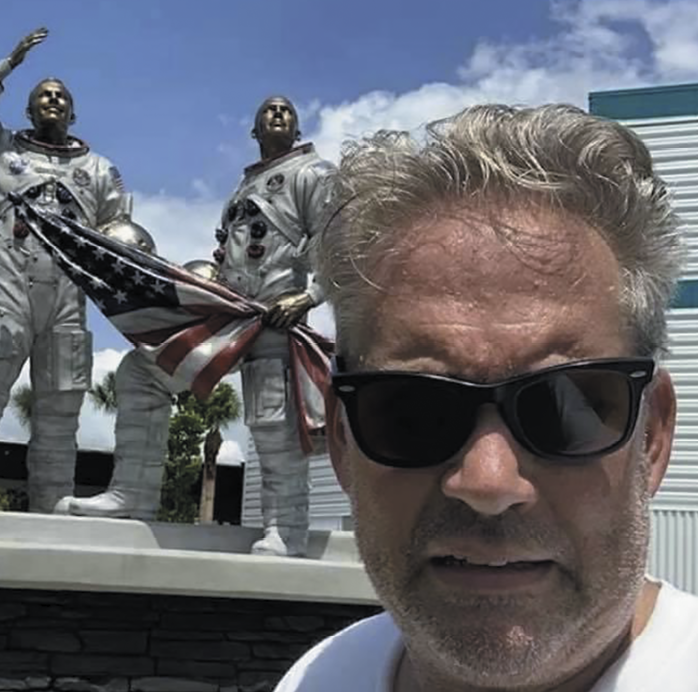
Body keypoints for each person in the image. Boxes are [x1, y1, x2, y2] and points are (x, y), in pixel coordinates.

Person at [275, 105, 698, 691]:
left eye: (561, 405)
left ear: (651, 436)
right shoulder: (321, 677)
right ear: (343, 441)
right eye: (412, 411)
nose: (488, 483)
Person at [62, 96, 334, 557]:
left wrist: (307, 296)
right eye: (268, 109)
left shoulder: (314, 174)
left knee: (272, 425)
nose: (278, 114)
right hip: (228, 314)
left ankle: (287, 528)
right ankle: (133, 495)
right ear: (254, 129)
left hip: (274, 318)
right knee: (142, 371)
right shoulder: (241, 189)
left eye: (286, 109)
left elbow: (338, 242)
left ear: (297, 124)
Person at [0, 28, 125, 513]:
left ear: (73, 111)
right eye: (43, 96)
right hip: (10, 287)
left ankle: (53, 499)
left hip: (67, 297)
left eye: (61, 96)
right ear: (29, 109)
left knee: (61, 407)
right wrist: (6, 65)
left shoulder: (99, 170)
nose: (52, 101)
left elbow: (120, 232)